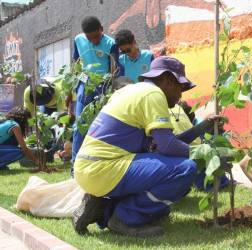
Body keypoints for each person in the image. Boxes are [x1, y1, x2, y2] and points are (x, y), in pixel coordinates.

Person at [72, 56, 222, 237]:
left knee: (161, 208)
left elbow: (164, 145)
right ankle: (123, 218)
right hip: (104, 168)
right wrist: (206, 153)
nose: (181, 95)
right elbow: (167, 146)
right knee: (184, 169)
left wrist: (201, 127)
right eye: (180, 88)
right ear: (167, 81)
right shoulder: (154, 94)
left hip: (90, 168)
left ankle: (101, 209)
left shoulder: (133, 91)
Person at [71, 16, 121, 164]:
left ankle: (102, 161)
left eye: (97, 37)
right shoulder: (78, 39)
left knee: (103, 124)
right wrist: (77, 80)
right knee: (80, 124)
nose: (94, 41)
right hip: (84, 84)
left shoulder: (111, 44)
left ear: (102, 29)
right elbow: (76, 61)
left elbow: (114, 69)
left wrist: (109, 88)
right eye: (90, 38)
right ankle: (75, 164)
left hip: (103, 87)